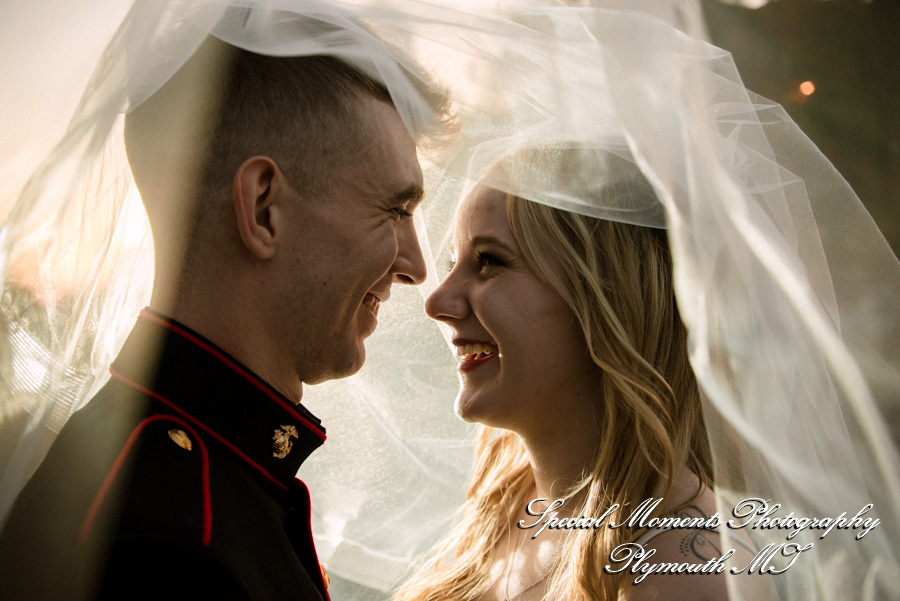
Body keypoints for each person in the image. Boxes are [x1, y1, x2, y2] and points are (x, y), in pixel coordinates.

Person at [0, 2, 445, 599]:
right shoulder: (170, 541)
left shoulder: (180, 475)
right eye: (394, 211)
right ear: (263, 209)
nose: (416, 266)